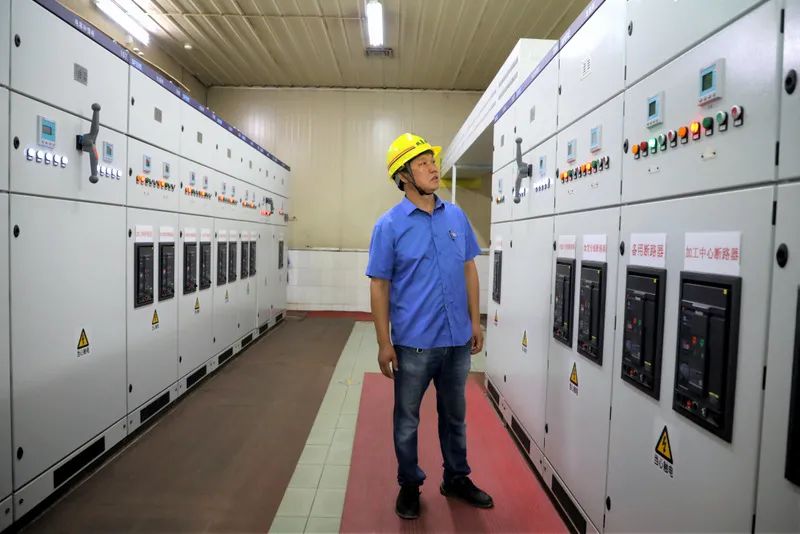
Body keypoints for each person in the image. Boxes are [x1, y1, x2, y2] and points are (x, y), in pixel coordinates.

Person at [366, 133, 494, 520]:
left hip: (456, 341)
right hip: (414, 345)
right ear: (403, 176)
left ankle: (456, 477)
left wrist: (475, 320)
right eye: (422, 163)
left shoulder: (455, 216)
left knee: (455, 416)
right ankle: (409, 484)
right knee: (407, 421)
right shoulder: (389, 226)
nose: (433, 168)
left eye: (432, 161)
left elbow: (469, 268)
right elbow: (379, 285)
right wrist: (384, 343)